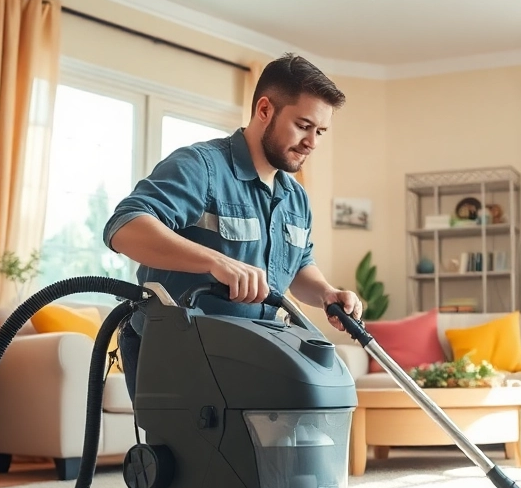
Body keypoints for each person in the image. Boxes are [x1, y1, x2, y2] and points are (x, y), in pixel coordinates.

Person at [103, 53, 362, 396]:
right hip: (180, 355)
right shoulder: (202, 168)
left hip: (255, 354)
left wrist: (326, 292)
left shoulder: (295, 198)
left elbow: (297, 268)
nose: (312, 142)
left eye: (320, 131)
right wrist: (216, 261)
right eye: (303, 125)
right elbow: (124, 228)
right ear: (265, 109)